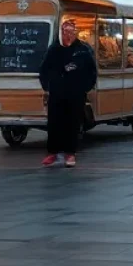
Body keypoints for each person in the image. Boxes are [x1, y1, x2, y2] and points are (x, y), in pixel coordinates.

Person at [39, 17, 97, 168]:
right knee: (54, 123)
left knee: (73, 123)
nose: (69, 35)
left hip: (76, 94)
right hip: (56, 93)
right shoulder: (54, 49)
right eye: (66, 32)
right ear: (61, 33)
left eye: (71, 32)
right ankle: (52, 153)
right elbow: (44, 69)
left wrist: (85, 87)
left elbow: (92, 71)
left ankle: (70, 154)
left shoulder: (82, 50)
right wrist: (47, 87)